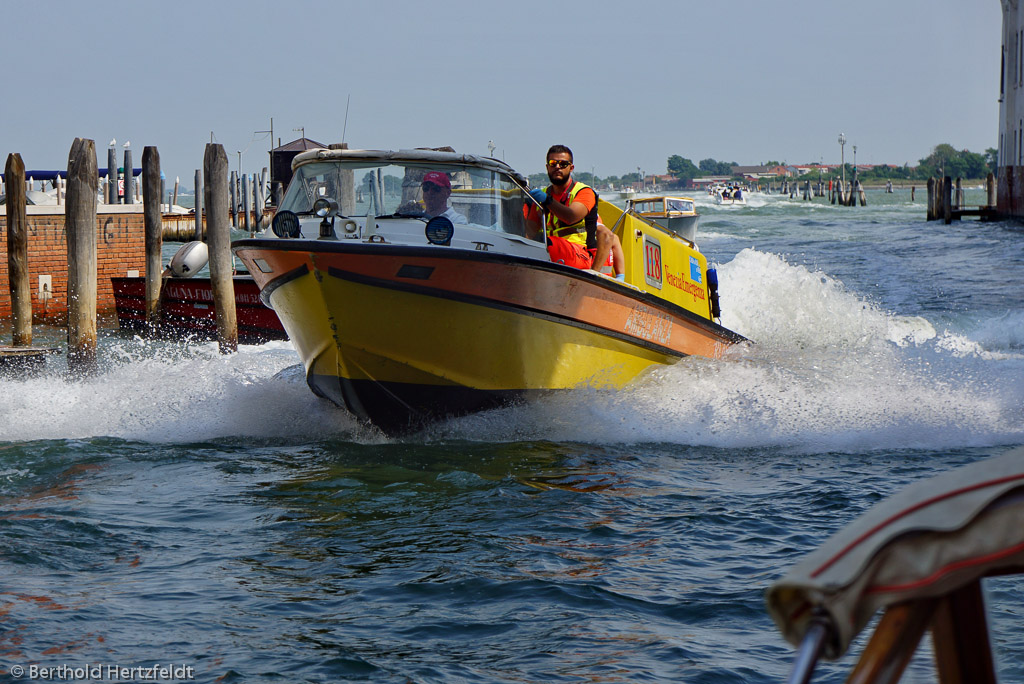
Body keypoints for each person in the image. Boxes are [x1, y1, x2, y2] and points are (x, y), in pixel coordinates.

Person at [524, 145, 625, 280]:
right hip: (555, 250)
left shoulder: (583, 193)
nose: (557, 167)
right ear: (547, 167)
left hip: (581, 253)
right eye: (553, 163)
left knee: (550, 245)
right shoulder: (542, 195)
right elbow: (529, 232)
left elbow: (571, 216)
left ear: (571, 168)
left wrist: (547, 201)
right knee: (532, 244)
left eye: (563, 164)